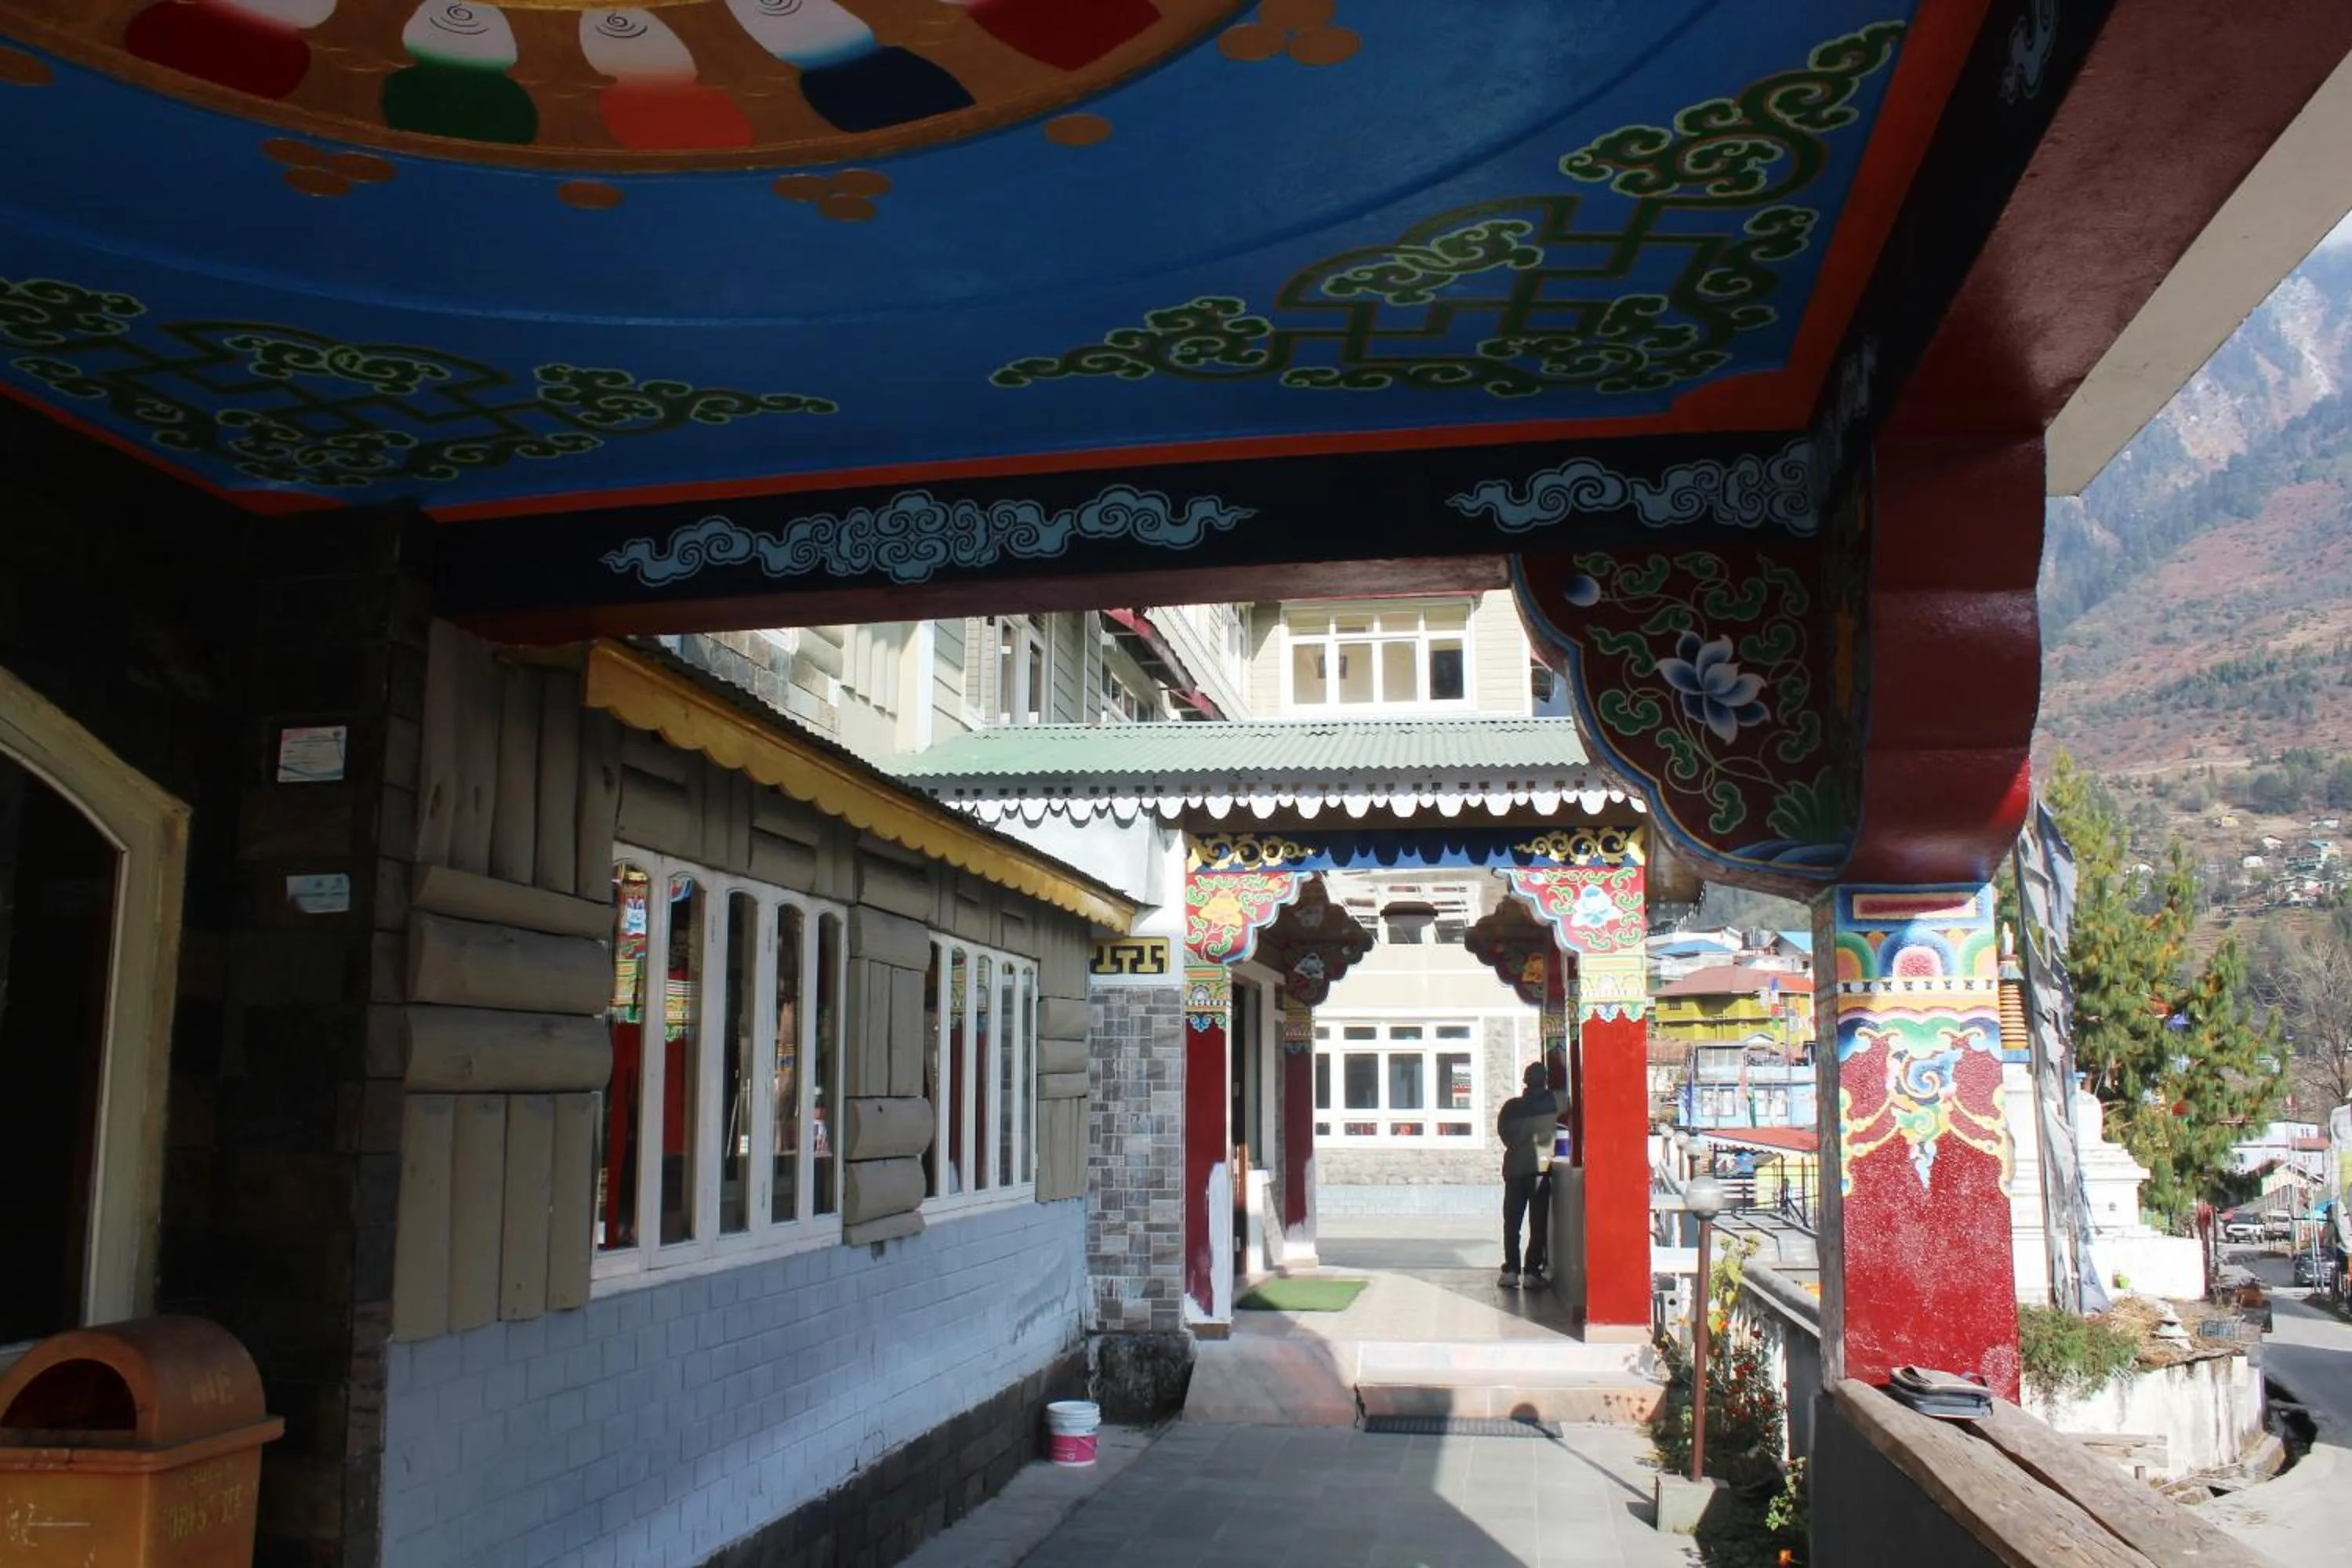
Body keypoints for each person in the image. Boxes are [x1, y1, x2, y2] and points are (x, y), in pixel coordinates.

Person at [1497, 1060, 1561, 1289]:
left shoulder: (1510, 1108)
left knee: (1512, 1222)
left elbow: (1504, 1135)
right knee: (1538, 1223)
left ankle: (1511, 1270)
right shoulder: (1552, 1104)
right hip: (1540, 1171)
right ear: (1545, 1081)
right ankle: (1532, 1272)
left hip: (1515, 1170)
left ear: (1525, 1081)